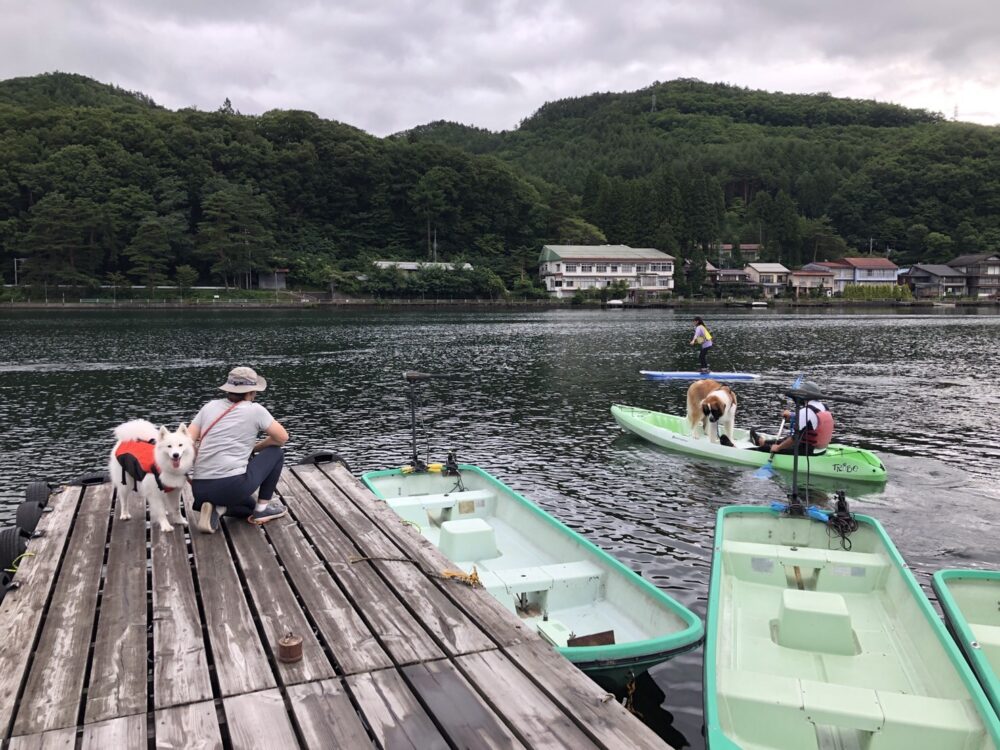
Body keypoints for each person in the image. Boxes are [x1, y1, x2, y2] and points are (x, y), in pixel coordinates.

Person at [187, 366, 289, 534]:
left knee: (249, 506)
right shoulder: (255, 410)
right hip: (231, 487)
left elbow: (187, 440)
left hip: (199, 488)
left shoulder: (209, 407)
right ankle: (262, 510)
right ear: (252, 392)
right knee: (276, 452)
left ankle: (218, 509)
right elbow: (282, 438)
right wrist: (256, 448)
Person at [749, 382, 834, 455]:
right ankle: (761, 441)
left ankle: (761, 446)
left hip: (807, 450)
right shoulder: (824, 407)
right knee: (783, 440)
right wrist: (792, 416)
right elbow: (811, 420)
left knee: (768, 448)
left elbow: (794, 438)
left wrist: (778, 448)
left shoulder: (806, 411)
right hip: (820, 447)